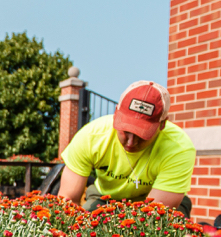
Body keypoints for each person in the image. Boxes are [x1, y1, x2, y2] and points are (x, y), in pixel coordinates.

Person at [58, 81, 196, 215]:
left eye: (142, 134)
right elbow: (67, 201)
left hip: (153, 200)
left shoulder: (179, 148)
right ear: (116, 113)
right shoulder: (91, 136)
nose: (131, 142)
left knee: (167, 232)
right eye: (125, 130)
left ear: (162, 125)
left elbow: (154, 217)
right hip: (105, 196)